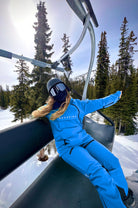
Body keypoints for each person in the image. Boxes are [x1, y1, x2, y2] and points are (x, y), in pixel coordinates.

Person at [32, 78, 135, 208]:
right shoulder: (49, 110)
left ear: (66, 88)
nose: (59, 92)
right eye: (54, 90)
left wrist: (116, 96)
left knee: (113, 161)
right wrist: (40, 151)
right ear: (51, 95)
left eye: (61, 88)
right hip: (68, 147)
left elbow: (100, 103)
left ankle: (124, 195)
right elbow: (34, 117)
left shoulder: (78, 105)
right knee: (99, 173)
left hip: (85, 140)